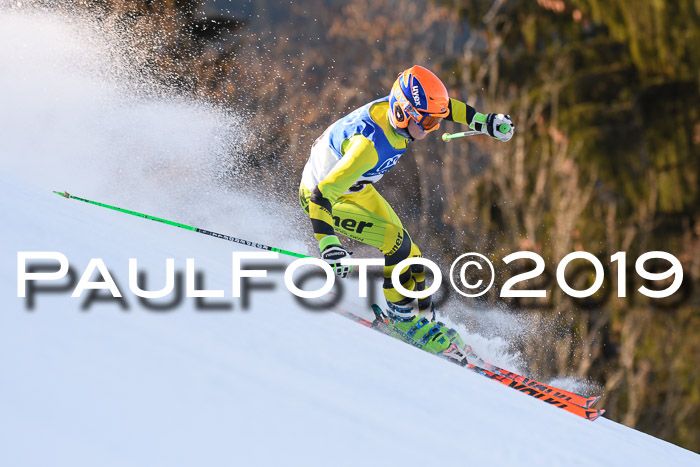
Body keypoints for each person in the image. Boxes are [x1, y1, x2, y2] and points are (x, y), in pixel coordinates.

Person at [299, 65, 514, 358]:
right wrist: (329, 246)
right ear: (402, 112)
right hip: (323, 198)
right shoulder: (368, 147)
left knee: (411, 253)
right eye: (426, 122)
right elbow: (320, 195)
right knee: (395, 242)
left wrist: (484, 122)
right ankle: (402, 321)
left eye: (434, 122)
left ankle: (419, 316)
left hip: (356, 189)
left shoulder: (402, 115)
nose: (432, 128)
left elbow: (446, 107)